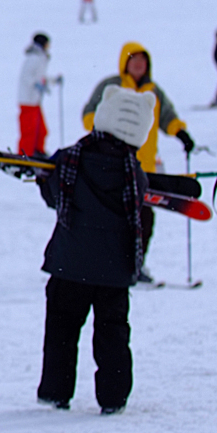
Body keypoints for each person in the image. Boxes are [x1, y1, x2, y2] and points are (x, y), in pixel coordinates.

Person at [35, 85, 156, 415]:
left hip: (70, 264)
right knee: (113, 334)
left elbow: (54, 198)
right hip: (114, 272)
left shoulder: (70, 157)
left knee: (62, 328)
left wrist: (41, 179)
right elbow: (141, 216)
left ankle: (56, 391)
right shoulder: (135, 173)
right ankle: (113, 397)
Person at [81, 43, 194, 283]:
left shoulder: (153, 91)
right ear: (125, 63)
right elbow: (89, 113)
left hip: (144, 169)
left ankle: (135, 266)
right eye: (134, 60)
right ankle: (106, 264)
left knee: (144, 221)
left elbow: (167, 117)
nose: (138, 65)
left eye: (143, 61)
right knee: (114, 219)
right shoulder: (111, 86)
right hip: (112, 165)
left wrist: (180, 133)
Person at [18, 33, 51, 156]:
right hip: (28, 100)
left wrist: (51, 81)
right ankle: (25, 155)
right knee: (29, 131)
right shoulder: (34, 58)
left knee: (41, 131)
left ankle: (38, 151)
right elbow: (27, 76)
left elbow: (39, 76)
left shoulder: (40, 57)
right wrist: (36, 84)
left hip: (35, 101)